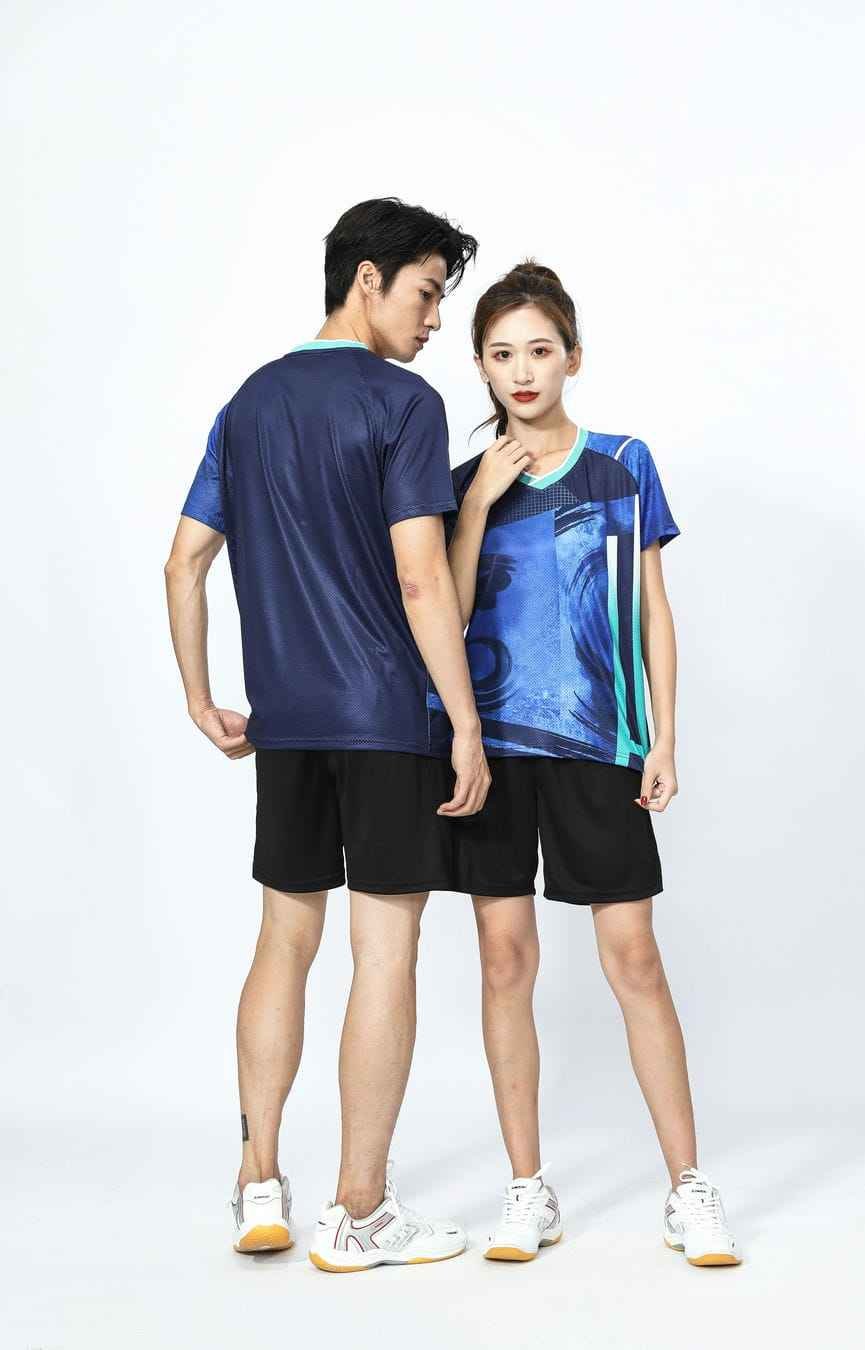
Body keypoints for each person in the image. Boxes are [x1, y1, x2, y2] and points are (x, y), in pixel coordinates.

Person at [164, 198, 490, 1273]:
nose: (435, 319)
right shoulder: (403, 402)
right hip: (387, 716)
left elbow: (184, 561)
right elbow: (420, 574)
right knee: (382, 950)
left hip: (289, 724)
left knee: (283, 940)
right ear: (367, 278)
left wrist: (202, 698)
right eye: (427, 293)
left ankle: (259, 1182)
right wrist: (467, 723)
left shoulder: (250, 402)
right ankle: (359, 1209)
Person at [431, 261, 741, 1268]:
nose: (522, 371)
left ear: (572, 356)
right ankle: (529, 1189)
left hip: (599, 745)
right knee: (504, 961)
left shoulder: (623, 464)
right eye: (501, 354)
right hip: (489, 751)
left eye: (539, 349)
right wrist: (475, 507)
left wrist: (663, 735)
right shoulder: (459, 485)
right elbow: (446, 614)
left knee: (634, 958)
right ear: (481, 366)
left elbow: (653, 609)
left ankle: (688, 1187)